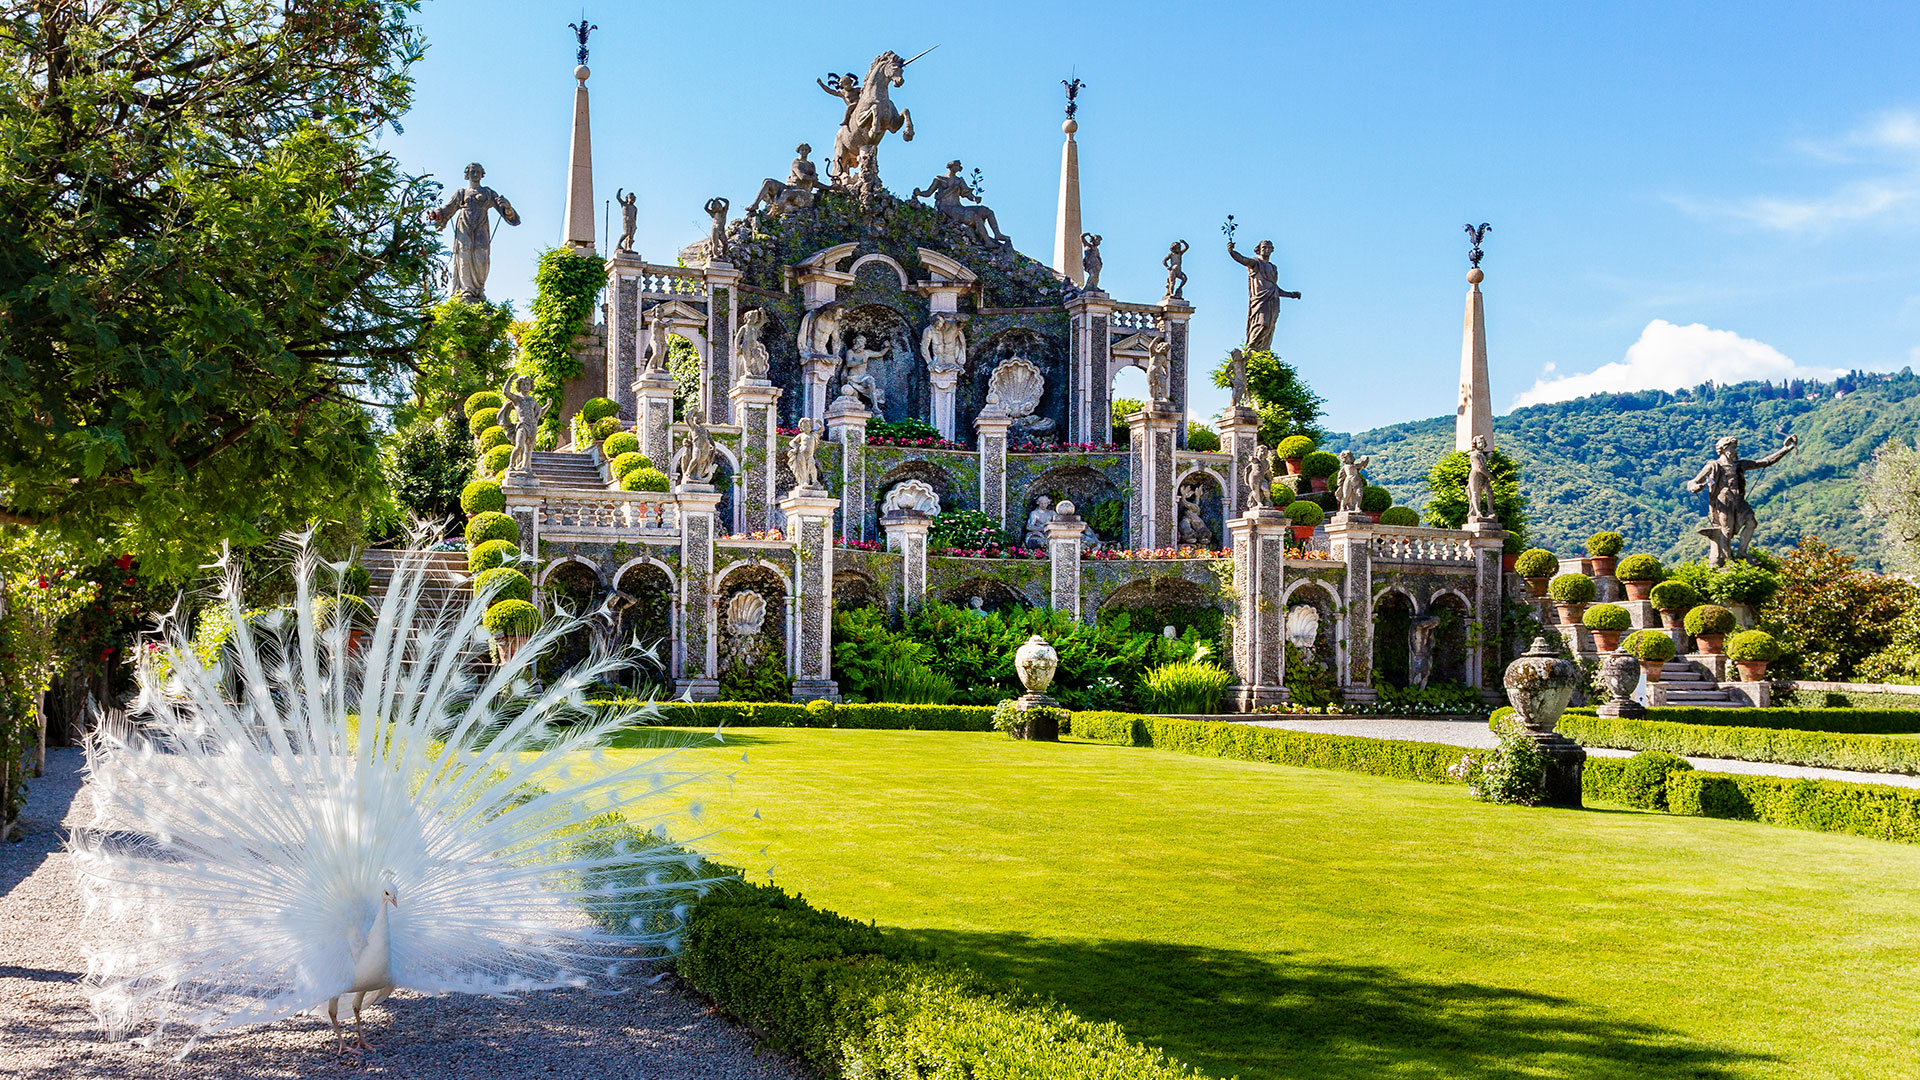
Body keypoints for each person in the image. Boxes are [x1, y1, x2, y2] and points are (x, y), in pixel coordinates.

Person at [1686, 433, 1798, 564]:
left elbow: (1765, 462)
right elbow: (1692, 482)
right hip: (1724, 502)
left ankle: (1742, 553)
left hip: (1739, 500)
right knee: (1726, 530)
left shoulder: (1741, 465)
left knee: (1751, 523)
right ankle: (1727, 560)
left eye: (1735, 448)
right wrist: (1695, 487)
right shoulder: (1713, 466)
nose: (1734, 451)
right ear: (1723, 449)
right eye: (1732, 448)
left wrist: (1785, 449)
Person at [430, 163, 520, 301]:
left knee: (481, 256)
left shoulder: (488, 193)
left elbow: (509, 216)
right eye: (472, 171)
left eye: (478, 171)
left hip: (481, 225)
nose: (475, 174)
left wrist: (508, 207)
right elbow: (447, 210)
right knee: (464, 255)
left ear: (482, 174)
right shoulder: (461, 193)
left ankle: (479, 289)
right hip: (464, 225)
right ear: (467, 174)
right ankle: (467, 290)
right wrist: (437, 214)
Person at [1226, 238, 1300, 352]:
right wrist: (1232, 252)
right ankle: (1251, 347)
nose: (1266, 250)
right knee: (1262, 323)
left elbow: (1274, 287)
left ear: (1272, 250)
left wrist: (1291, 295)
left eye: (1269, 248)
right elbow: (1242, 259)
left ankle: (1264, 350)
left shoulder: (1273, 267)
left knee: (1270, 327)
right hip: (1260, 299)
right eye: (1264, 247)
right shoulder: (1255, 262)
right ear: (1259, 250)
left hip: (1273, 299)